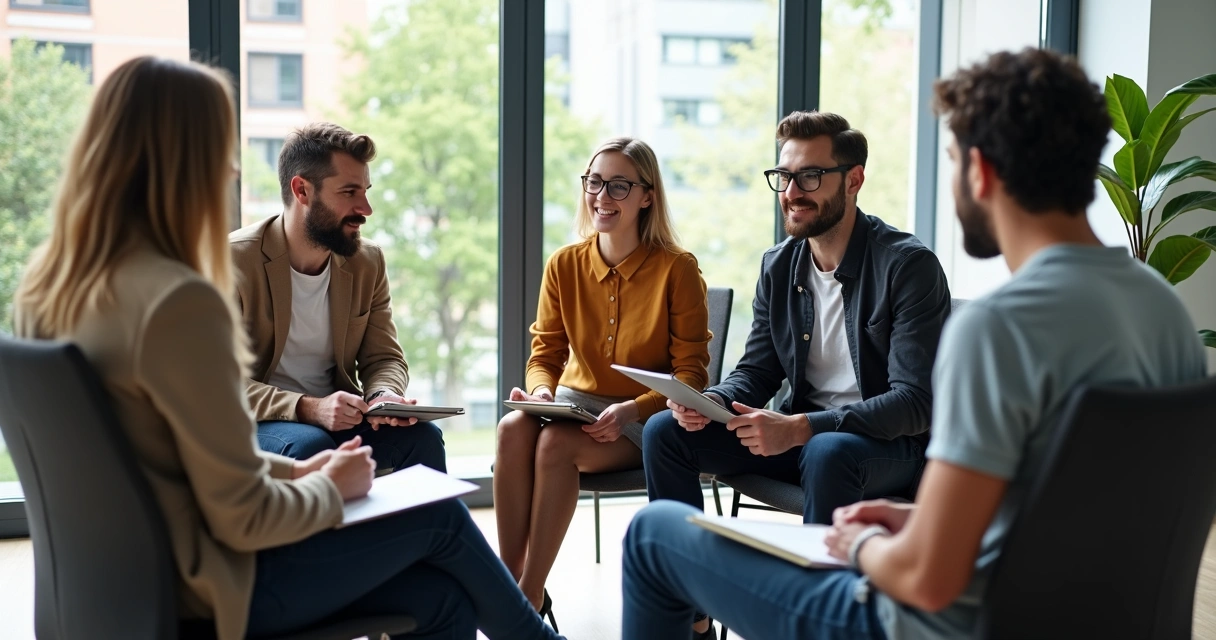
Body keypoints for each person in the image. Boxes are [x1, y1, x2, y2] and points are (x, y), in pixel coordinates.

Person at [621, 47, 1207, 640]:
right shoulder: (1163, 309)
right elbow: (1061, 510)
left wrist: (863, 543)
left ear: (980, 170)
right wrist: (918, 519)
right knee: (669, 437)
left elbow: (928, 579)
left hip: (921, 621)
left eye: (951, 160)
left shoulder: (997, 325)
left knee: (653, 537)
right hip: (1077, 617)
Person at [14, 56, 562, 640]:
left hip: (119, 587)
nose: (228, 169)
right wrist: (330, 487)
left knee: (442, 596)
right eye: (217, 148)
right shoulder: (179, 301)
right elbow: (243, 514)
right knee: (441, 516)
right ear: (181, 162)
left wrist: (301, 470)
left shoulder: (45, 288)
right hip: (211, 588)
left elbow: (174, 454)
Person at [642, 110, 950, 637]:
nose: (792, 191)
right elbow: (757, 370)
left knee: (829, 450)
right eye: (783, 177)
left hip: (886, 448)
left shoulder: (906, 266)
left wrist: (803, 428)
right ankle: (691, 623)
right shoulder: (779, 265)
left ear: (853, 179)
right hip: (801, 440)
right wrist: (709, 401)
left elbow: (915, 403)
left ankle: (809, 622)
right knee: (665, 432)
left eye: (811, 176)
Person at [493, 137, 711, 626]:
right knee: (513, 429)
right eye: (595, 182)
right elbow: (545, 353)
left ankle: (525, 600)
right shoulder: (564, 264)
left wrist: (632, 410)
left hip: (642, 417)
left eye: (618, 185)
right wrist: (542, 392)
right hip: (572, 403)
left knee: (554, 446)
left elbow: (691, 374)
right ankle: (511, 577)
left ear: (646, 196)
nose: (602, 197)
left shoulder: (677, 269)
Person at [230, 122, 445, 475]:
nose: (366, 208)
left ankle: (430, 532)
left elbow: (384, 358)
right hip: (258, 420)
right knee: (312, 447)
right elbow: (216, 383)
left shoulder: (367, 262)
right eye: (349, 192)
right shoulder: (233, 261)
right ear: (302, 190)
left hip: (343, 417)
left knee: (423, 437)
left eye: (366, 191)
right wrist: (308, 408)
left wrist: (383, 396)